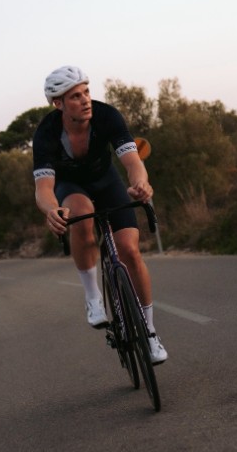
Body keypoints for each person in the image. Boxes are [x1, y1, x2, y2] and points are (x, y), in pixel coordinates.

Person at [32, 65, 168, 364]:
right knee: (81, 213)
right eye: (75, 96)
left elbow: (132, 162)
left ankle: (149, 331)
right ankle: (93, 297)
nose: (85, 100)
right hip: (72, 186)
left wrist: (140, 183)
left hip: (107, 181)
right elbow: (44, 188)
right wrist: (51, 209)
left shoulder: (107, 116)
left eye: (86, 92)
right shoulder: (46, 133)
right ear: (58, 104)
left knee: (130, 251)